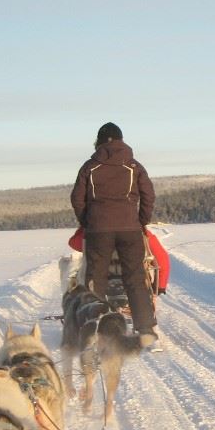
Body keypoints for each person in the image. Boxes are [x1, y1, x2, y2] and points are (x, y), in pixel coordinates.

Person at [70, 122, 158, 347]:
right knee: (135, 278)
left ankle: (93, 326)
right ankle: (146, 330)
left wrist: (87, 221)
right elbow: (148, 195)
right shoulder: (133, 165)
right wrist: (140, 221)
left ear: (99, 141)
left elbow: (77, 198)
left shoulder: (90, 167)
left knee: (95, 279)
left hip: (98, 229)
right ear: (121, 140)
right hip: (130, 229)